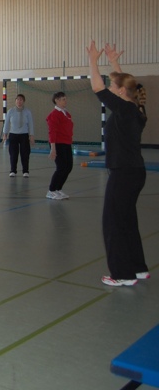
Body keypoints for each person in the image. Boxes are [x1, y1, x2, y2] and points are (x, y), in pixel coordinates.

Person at [86, 41, 149, 286]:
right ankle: (138, 268)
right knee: (127, 220)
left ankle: (122, 274)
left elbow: (97, 87)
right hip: (135, 172)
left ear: (121, 92)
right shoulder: (136, 108)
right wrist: (113, 62)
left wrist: (93, 61)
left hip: (123, 173)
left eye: (114, 86)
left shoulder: (124, 110)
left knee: (112, 223)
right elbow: (126, 85)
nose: (111, 88)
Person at [46, 91, 73, 200]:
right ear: (56, 100)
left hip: (66, 143)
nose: (65, 101)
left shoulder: (66, 113)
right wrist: (53, 149)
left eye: (66, 99)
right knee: (61, 167)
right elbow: (52, 132)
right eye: (63, 99)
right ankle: (51, 190)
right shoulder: (54, 114)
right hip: (58, 143)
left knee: (68, 167)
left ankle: (58, 189)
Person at [2, 93, 35, 177]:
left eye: (21, 100)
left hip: (24, 135)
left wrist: (31, 135)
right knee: (13, 153)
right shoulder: (11, 111)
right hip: (13, 135)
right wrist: (5, 134)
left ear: (23, 101)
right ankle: (13, 170)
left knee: (25, 153)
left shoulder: (27, 112)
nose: (19, 101)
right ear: (15, 101)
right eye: (18, 100)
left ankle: (25, 171)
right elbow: (6, 123)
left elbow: (30, 124)